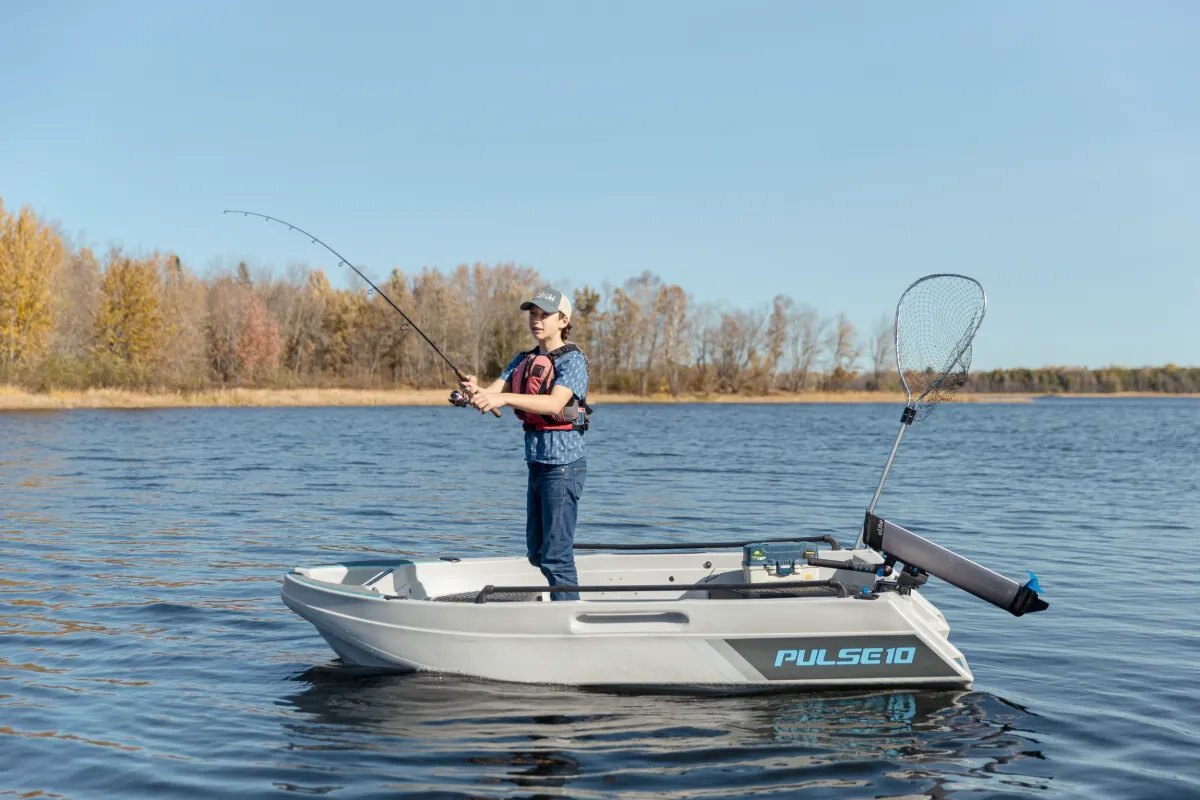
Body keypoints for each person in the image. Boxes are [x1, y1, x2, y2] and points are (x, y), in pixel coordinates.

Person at [460, 287, 590, 601]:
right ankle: (562, 605)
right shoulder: (522, 359)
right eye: (533, 314)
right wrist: (474, 392)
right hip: (537, 464)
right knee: (538, 553)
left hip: (563, 468)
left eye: (544, 315)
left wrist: (502, 398)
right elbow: (492, 396)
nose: (536, 320)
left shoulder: (573, 361)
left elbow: (555, 403)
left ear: (563, 321)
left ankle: (569, 615)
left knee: (556, 556)